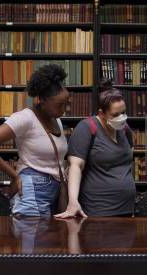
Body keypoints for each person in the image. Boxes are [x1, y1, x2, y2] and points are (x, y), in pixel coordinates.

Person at [0, 64, 70, 216]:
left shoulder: (56, 119)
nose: (63, 110)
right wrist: (14, 175)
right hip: (33, 190)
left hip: (55, 189)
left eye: (66, 104)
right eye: (59, 105)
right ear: (41, 100)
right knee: (31, 237)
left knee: (48, 238)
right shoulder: (25, 118)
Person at [55, 80, 135, 218]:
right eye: (115, 115)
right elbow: (75, 167)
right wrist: (73, 201)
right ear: (101, 113)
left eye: (123, 112)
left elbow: (126, 162)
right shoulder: (86, 128)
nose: (121, 118)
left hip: (127, 209)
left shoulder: (124, 129)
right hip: (98, 209)